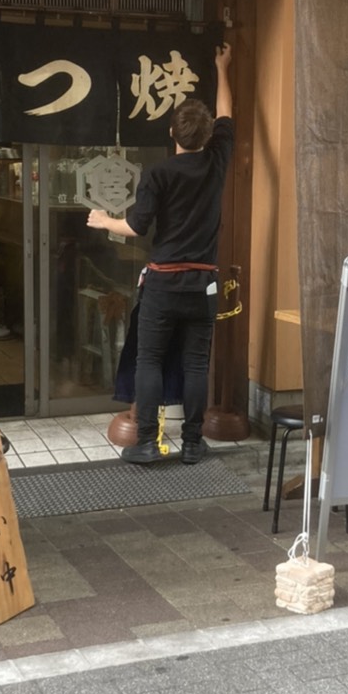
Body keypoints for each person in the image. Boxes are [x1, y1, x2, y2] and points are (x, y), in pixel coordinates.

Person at [87, 41, 233, 464]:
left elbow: (135, 227)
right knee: (195, 365)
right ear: (208, 136)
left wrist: (103, 221)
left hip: (164, 283)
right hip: (203, 282)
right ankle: (192, 443)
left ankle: (148, 442)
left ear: (172, 133)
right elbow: (226, 115)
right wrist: (223, 66)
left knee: (149, 360)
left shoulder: (159, 173)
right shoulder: (217, 160)